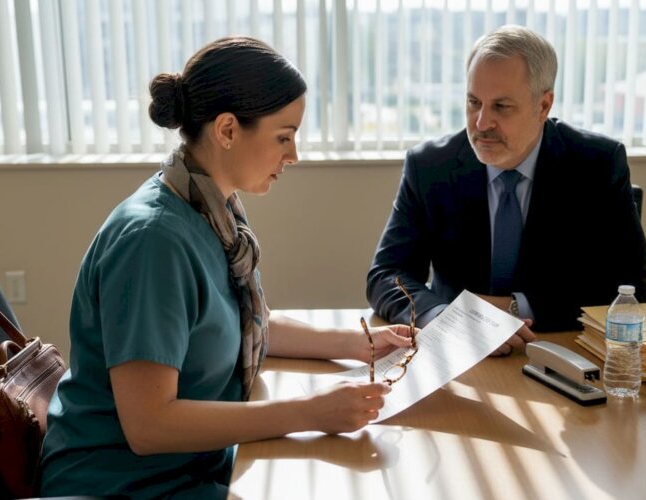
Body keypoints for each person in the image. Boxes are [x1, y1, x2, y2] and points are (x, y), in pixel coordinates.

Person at [39, 37, 413, 498]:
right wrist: (312, 412)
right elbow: (149, 425)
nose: (293, 155)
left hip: (193, 467)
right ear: (228, 130)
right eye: (284, 136)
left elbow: (240, 322)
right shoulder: (153, 242)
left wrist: (360, 344)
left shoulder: (211, 208)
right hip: (124, 484)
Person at [367, 25, 646, 355]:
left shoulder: (596, 164)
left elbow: (632, 289)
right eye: (474, 102)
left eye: (501, 107)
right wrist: (444, 318)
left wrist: (513, 309)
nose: (481, 123)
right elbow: (387, 274)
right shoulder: (431, 166)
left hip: (560, 352)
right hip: (457, 356)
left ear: (543, 105)